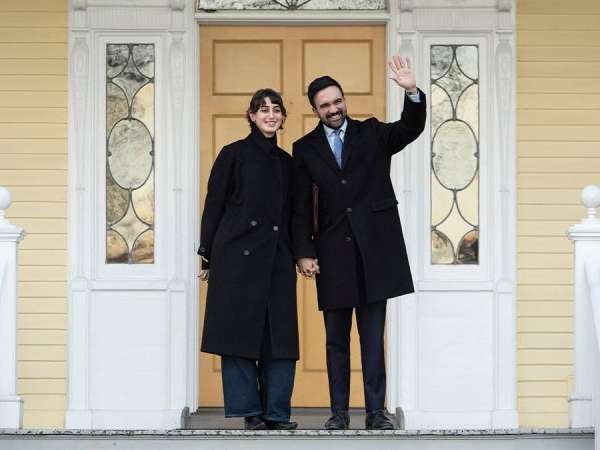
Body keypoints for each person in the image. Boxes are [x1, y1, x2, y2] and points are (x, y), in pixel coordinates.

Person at [292, 56, 426, 430]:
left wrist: (412, 92)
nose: (333, 109)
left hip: (374, 253)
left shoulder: (372, 133)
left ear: (344, 100)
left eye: (337, 101)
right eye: (325, 105)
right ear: (315, 109)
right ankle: (338, 414)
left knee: (372, 340)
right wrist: (304, 251)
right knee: (336, 341)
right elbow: (299, 206)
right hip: (331, 254)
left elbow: (410, 128)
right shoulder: (304, 149)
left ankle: (375, 413)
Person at [198, 88, 299, 431]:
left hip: (277, 258)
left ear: (282, 117)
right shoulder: (233, 154)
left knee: (280, 337)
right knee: (237, 335)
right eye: (264, 110)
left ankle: (276, 412)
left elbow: (296, 214)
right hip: (235, 258)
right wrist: (206, 254)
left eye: (276, 110)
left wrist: (301, 253)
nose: (271, 115)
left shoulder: (287, 163)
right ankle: (250, 412)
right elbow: (214, 205)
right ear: (252, 116)